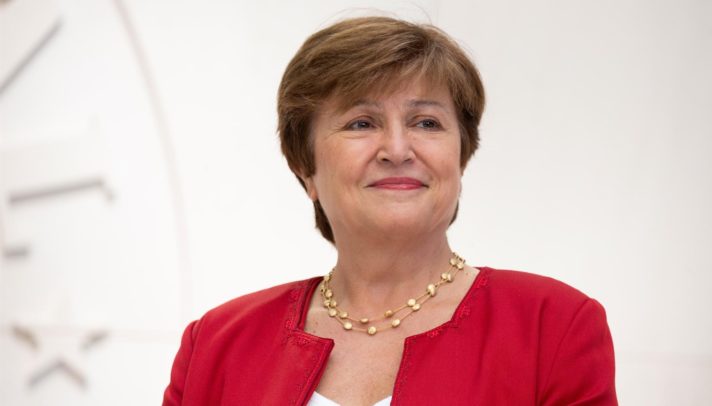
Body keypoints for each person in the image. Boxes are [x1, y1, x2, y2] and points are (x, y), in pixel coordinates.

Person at [163, 16, 617, 406]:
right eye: (361, 123)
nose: (397, 150)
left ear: (460, 158)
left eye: (427, 123)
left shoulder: (553, 327)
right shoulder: (216, 345)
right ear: (305, 167)